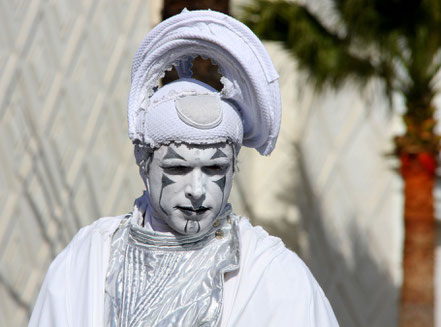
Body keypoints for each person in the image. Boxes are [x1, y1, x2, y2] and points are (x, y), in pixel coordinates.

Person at [29, 10, 339, 327]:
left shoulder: (273, 274)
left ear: (234, 167)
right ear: (143, 164)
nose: (196, 190)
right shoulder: (89, 258)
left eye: (215, 168)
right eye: (177, 169)